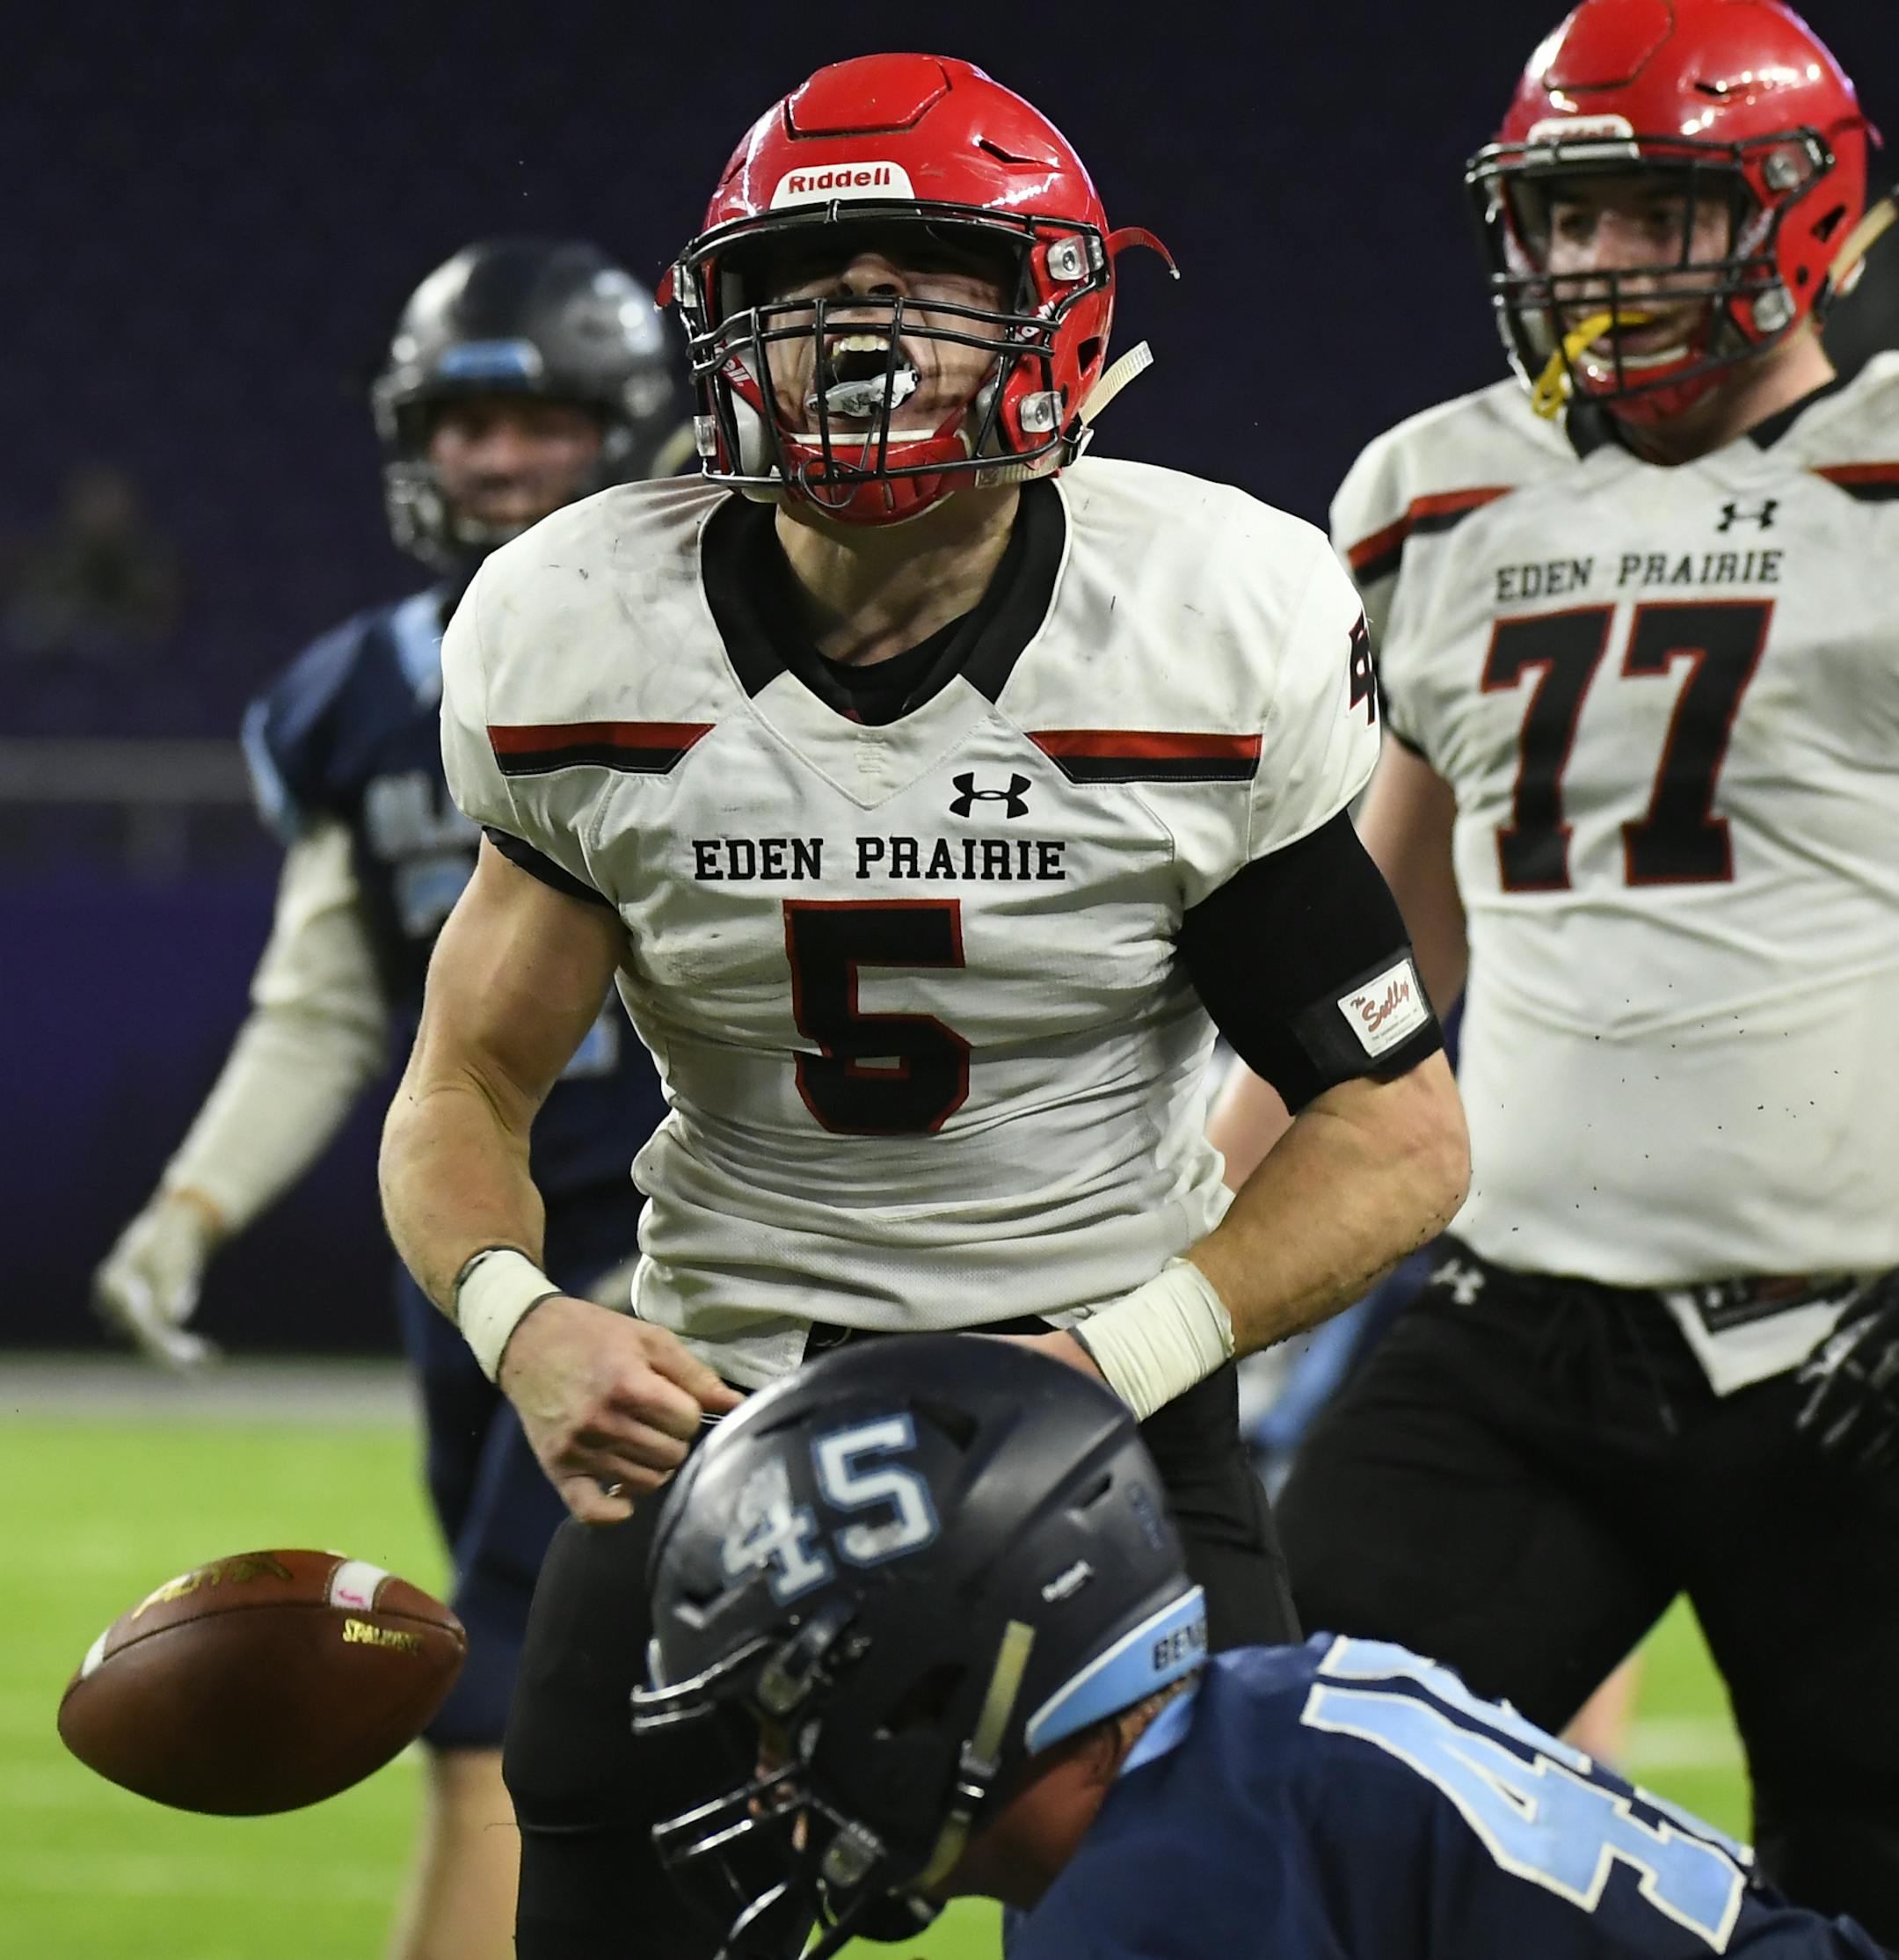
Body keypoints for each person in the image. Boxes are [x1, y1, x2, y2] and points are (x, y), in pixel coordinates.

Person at [376, 52, 1471, 1959]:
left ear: (1056, 318)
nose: (857, 340)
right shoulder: (580, 627)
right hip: (723, 1408)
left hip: (1112, 1417)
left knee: (1229, 1914)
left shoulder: (1205, 622)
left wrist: (1113, 1364)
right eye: (808, 293)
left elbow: (1400, 1129)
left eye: (925, 286)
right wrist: (520, 1316)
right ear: (721, 328)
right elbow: (462, 1075)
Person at [1209, 0, 1899, 1937]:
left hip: (1868, 1340)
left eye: (1655, 210)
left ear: (1808, 209)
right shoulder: (1438, 489)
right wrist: (1179, 1246)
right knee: (1260, 1777)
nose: (1598, 262)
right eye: (1566, 216)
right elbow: (1380, 928)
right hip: (1524, 1321)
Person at [91, 237, 689, 1960]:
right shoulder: (357, 697)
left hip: (676, 1244)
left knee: (499, 1691)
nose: (496, 461)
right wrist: (194, 1203)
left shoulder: (718, 649)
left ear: (630, 423)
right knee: (562, 1701)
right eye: (463, 424)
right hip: (472, 1249)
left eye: (545, 420)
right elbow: (323, 1005)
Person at [632, 1334, 1886, 1960]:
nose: (771, 1779)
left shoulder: (1157, 1890)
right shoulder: (1245, 1732)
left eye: (786, 1716)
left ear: (938, 1682)